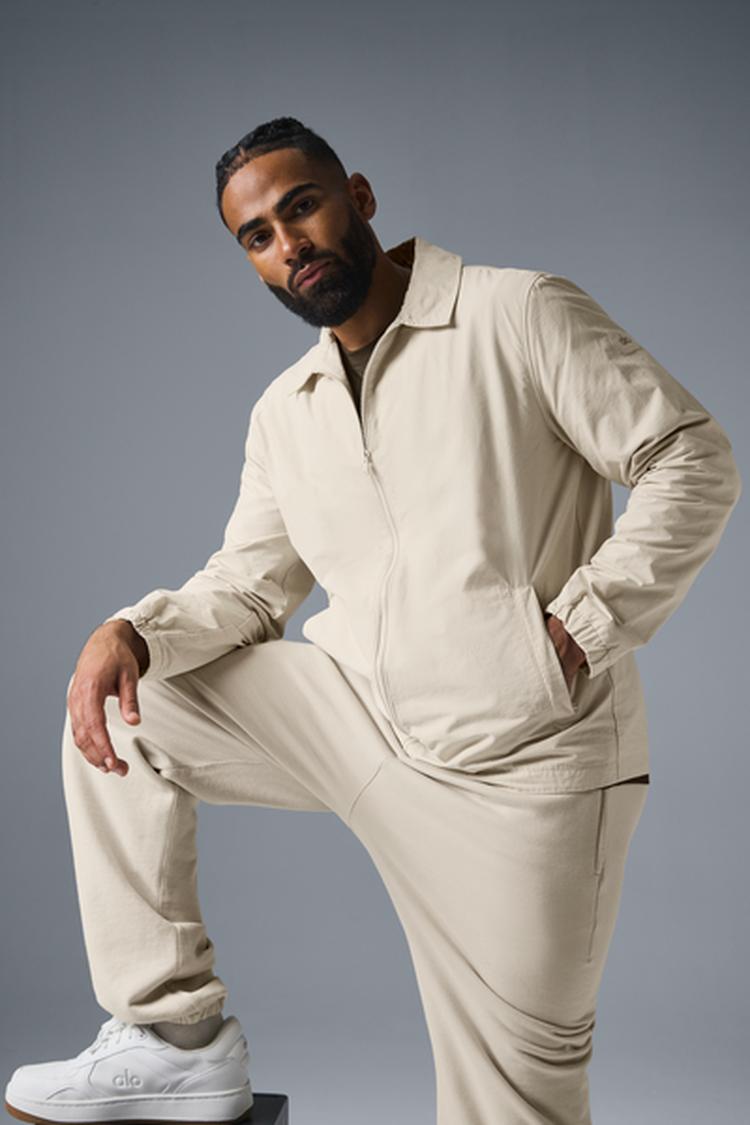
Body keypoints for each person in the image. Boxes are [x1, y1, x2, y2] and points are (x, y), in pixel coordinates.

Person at [4, 116, 741, 1125]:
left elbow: (690, 455)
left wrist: (584, 623)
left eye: (300, 207)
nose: (289, 244)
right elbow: (250, 588)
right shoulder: (288, 409)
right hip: (365, 725)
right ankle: (174, 1039)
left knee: (512, 1107)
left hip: (526, 766)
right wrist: (131, 631)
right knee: (127, 704)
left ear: (358, 196)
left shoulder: (517, 312)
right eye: (258, 236)